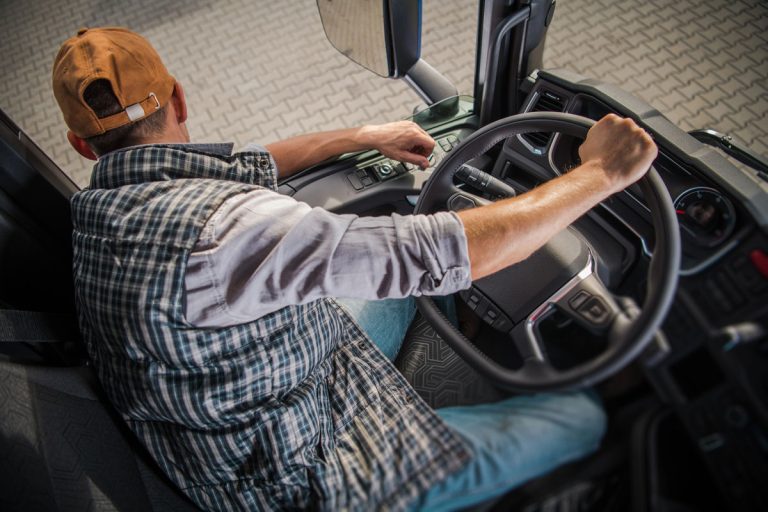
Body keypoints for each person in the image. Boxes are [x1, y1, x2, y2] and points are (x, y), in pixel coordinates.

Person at [52, 27, 656, 511]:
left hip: (229, 421)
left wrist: (363, 135)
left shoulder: (98, 207)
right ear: (180, 97)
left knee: (408, 294)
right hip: (301, 480)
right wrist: (601, 173)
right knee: (580, 417)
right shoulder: (230, 232)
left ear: (82, 147)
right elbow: (458, 252)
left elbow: (248, 163)